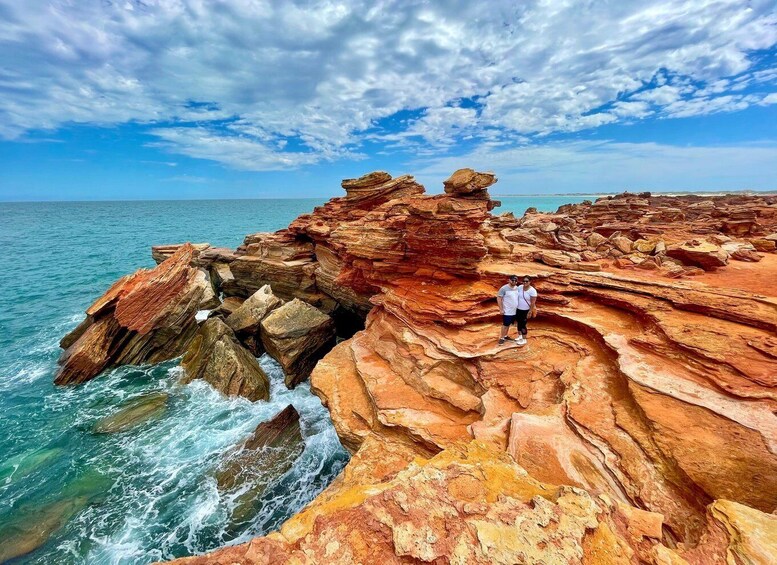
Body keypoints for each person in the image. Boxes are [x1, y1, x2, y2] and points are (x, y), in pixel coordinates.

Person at [497, 275, 538, 345]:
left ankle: (524, 339)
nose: (525, 282)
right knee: (512, 324)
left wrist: (530, 311)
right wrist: (501, 309)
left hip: (524, 310)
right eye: (523, 281)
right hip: (514, 310)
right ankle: (511, 337)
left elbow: (533, 302)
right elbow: (499, 297)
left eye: (527, 281)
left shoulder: (531, 290)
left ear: (530, 282)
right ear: (509, 280)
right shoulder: (518, 287)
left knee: (523, 324)